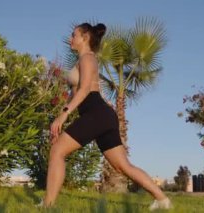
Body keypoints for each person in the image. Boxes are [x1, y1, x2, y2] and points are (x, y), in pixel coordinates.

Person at [42, 22, 172, 211]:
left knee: (57, 151)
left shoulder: (87, 58)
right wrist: (64, 111)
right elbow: (81, 90)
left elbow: (86, 89)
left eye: (74, 35)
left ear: (84, 37)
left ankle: (48, 205)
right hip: (101, 114)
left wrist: (63, 116)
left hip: (97, 113)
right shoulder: (85, 60)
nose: (71, 38)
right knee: (122, 166)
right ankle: (162, 200)